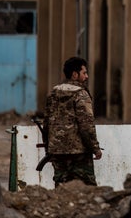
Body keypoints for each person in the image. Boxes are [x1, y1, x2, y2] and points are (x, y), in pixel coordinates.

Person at [44, 56, 102, 186]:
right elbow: (86, 126)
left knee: (61, 189)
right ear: (75, 75)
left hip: (57, 151)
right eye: (84, 73)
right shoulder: (81, 94)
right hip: (79, 153)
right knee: (86, 189)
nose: (86, 77)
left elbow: (46, 124)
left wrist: (48, 148)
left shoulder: (53, 93)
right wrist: (95, 148)